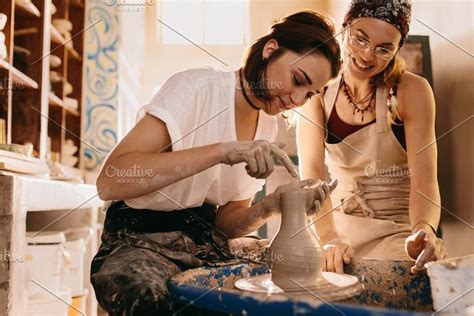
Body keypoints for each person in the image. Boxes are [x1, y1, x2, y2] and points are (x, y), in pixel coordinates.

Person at [91, 10, 342, 315]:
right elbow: (109, 181)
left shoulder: (267, 127)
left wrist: (272, 206)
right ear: (270, 50)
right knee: (151, 301)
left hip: (201, 244)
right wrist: (223, 150)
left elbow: (225, 224)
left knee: (266, 295)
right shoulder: (196, 89)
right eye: (297, 80)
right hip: (136, 238)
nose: (297, 99)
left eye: (309, 94)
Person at [298, 0, 448, 275]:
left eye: (383, 48)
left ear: (397, 49)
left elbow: (424, 180)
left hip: (396, 233)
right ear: (344, 30)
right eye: (360, 39)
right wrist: (329, 239)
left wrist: (423, 231)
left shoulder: (411, 90)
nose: (367, 55)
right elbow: (312, 175)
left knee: (406, 282)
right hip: (333, 227)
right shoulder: (319, 91)